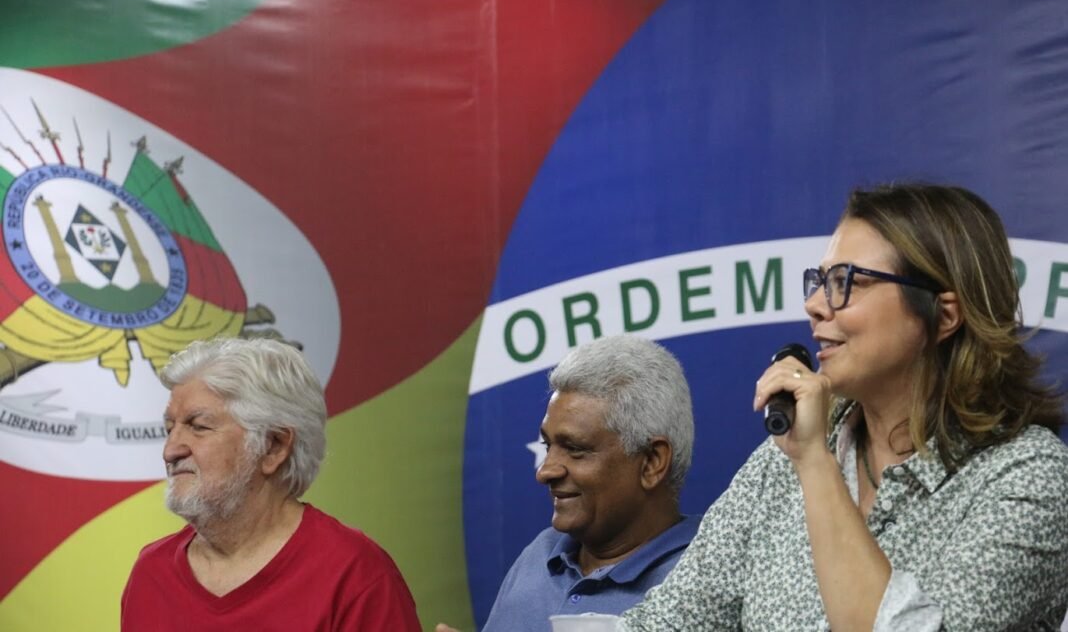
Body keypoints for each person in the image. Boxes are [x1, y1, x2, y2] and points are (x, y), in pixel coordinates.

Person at [620, 183, 1068, 631]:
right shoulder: (783, 458)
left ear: (944, 315)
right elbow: (665, 623)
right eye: (820, 282)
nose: (814, 305)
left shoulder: (1027, 475)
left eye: (846, 282)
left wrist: (816, 463)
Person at [120, 337, 421, 631]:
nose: (170, 451)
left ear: (274, 446)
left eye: (198, 427)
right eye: (169, 429)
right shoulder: (151, 574)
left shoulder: (355, 575)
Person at [437, 335, 700, 632]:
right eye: (547, 446)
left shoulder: (705, 579)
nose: (545, 471)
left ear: (652, 461)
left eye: (575, 449)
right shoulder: (540, 555)